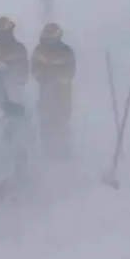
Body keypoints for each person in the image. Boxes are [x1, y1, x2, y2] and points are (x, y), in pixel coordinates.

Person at [30, 22, 76, 160]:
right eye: (46, 38)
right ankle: (47, 150)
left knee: (61, 120)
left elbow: (71, 70)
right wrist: (39, 77)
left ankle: (64, 150)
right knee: (45, 120)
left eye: (51, 38)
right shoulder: (39, 50)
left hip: (62, 93)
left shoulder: (66, 51)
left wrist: (62, 79)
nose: (48, 41)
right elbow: (34, 68)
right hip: (45, 90)